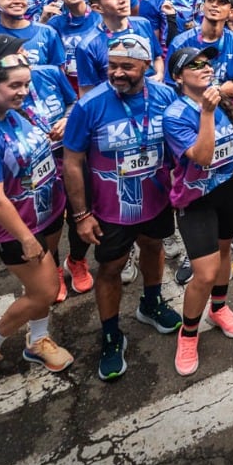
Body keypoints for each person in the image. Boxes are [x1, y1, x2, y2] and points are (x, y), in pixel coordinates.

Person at [62, 33, 183, 381]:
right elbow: (72, 162)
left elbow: (176, 142)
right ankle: (112, 333)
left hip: (156, 198)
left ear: (145, 65)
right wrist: (82, 215)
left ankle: (151, 302)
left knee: (153, 246)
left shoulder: (163, 95)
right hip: (111, 208)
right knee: (111, 266)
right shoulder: (89, 105)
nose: (117, 72)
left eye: (127, 66)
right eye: (112, 66)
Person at [0, 52, 73, 387]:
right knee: (45, 291)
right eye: (14, 86)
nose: (23, 91)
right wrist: (24, 237)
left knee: (39, 287)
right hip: (19, 228)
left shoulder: (15, 109)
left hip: (48, 211)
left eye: (26, 83)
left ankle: (38, 340)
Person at [163, 46, 233, 376]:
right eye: (193, 65)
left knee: (225, 253)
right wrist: (208, 113)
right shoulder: (176, 114)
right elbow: (202, 157)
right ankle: (188, 334)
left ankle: (220, 307)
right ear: (178, 77)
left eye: (206, 62)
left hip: (228, 190)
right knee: (204, 272)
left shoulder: (219, 101)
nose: (204, 67)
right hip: (196, 199)